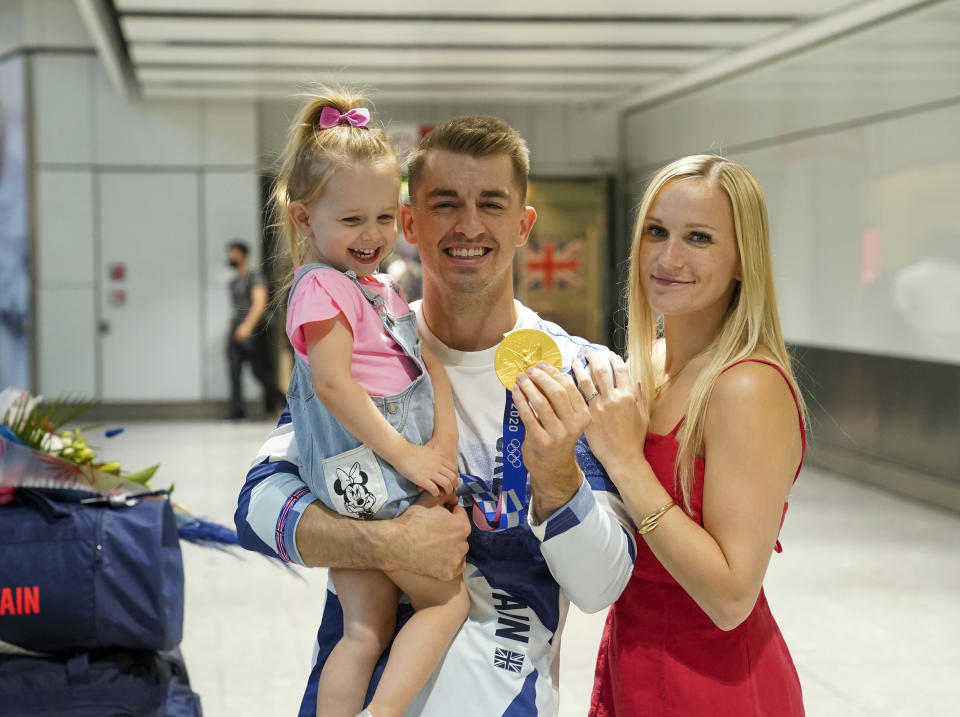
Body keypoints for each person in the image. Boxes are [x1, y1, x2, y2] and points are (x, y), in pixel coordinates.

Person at [235, 114, 636, 717]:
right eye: (445, 204)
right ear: (409, 223)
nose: (468, 226)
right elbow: (256, 509)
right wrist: (385, 543)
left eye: (492, 204)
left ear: (523, 224)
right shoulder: (358, 342)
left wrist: (557, 478)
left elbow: (602, 586)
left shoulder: (580, 374)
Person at [564, 155, 806, 715]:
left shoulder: (746, 386)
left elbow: (729, 597)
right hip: (632, 664)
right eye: (657, 232)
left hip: (716, 685)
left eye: (698, 238)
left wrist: (625, 463)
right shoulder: (644, 369)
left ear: (743, 260)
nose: (669, 258)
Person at [272, 89, 467, 717]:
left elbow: (422, 359)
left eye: (385, 217)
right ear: (303, 219)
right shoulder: (322, 288)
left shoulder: (376, 287)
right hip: (375, 473)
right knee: (447, 601)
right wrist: (411, 458)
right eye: (352, 219)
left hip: (351, 481)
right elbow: (333, 387)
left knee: (365, 629)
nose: (373, 234)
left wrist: (440, 444)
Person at [226, 240, 285, 419]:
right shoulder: (234, 280)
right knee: (234, 371)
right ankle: (237, 411)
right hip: (236, 328)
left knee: (260, 372)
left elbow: (260, 303)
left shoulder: (254, 277)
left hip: (252, 330)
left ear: (242, 254)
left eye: (233, 252)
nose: (230, 256)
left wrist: (247, 326)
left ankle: (284, 404)